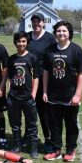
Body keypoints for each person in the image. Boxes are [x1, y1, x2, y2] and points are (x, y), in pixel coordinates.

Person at [43, 21, 82, 162]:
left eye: (64, 31)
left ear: (69, 33)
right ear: (55, 33)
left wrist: (77, 94)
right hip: (53, 95)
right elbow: (46, 72)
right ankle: (56, 150)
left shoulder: (76, 50)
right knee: (54, 124)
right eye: (59, 31)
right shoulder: (50, 50)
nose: (61, 33)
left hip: (70, 96)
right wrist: (44, 91)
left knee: (71, 124)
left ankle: (70, 150)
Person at [26, 12, 56, 152]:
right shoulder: (27, 37)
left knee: (43, 111)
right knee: (28, 109)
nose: (36, 24)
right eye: (34, 21)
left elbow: (54, 58)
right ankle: (29, 135)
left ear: (43, 22)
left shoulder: (50, 38)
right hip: (29, 80)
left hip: (45, 80)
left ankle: (48, 139)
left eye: (39, 21)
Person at [7, 31, 39, 158]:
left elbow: (36, 77)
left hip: (28, 98)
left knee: (31, 124)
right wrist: (9, 93)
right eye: (19, 41)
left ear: (27, 43)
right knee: (15, 124)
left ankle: (33, 147)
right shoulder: (12, 59)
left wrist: (33, 94)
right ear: (15, 43)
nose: (21, 43)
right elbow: (10, 77)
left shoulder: (32, 57)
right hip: (13, 97)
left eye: (24, 41)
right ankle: (17, 145)